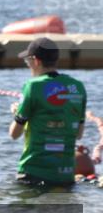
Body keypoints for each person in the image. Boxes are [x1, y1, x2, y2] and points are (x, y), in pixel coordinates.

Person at [9, 37, 87, 187]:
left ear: (36, 61)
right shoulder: (78, 87)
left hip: (33, 173)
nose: (28, 66)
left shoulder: (32, 86)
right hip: (65, 176)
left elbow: (14, 134)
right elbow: (78, 134)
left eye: (27, 62)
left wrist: (17, 113)